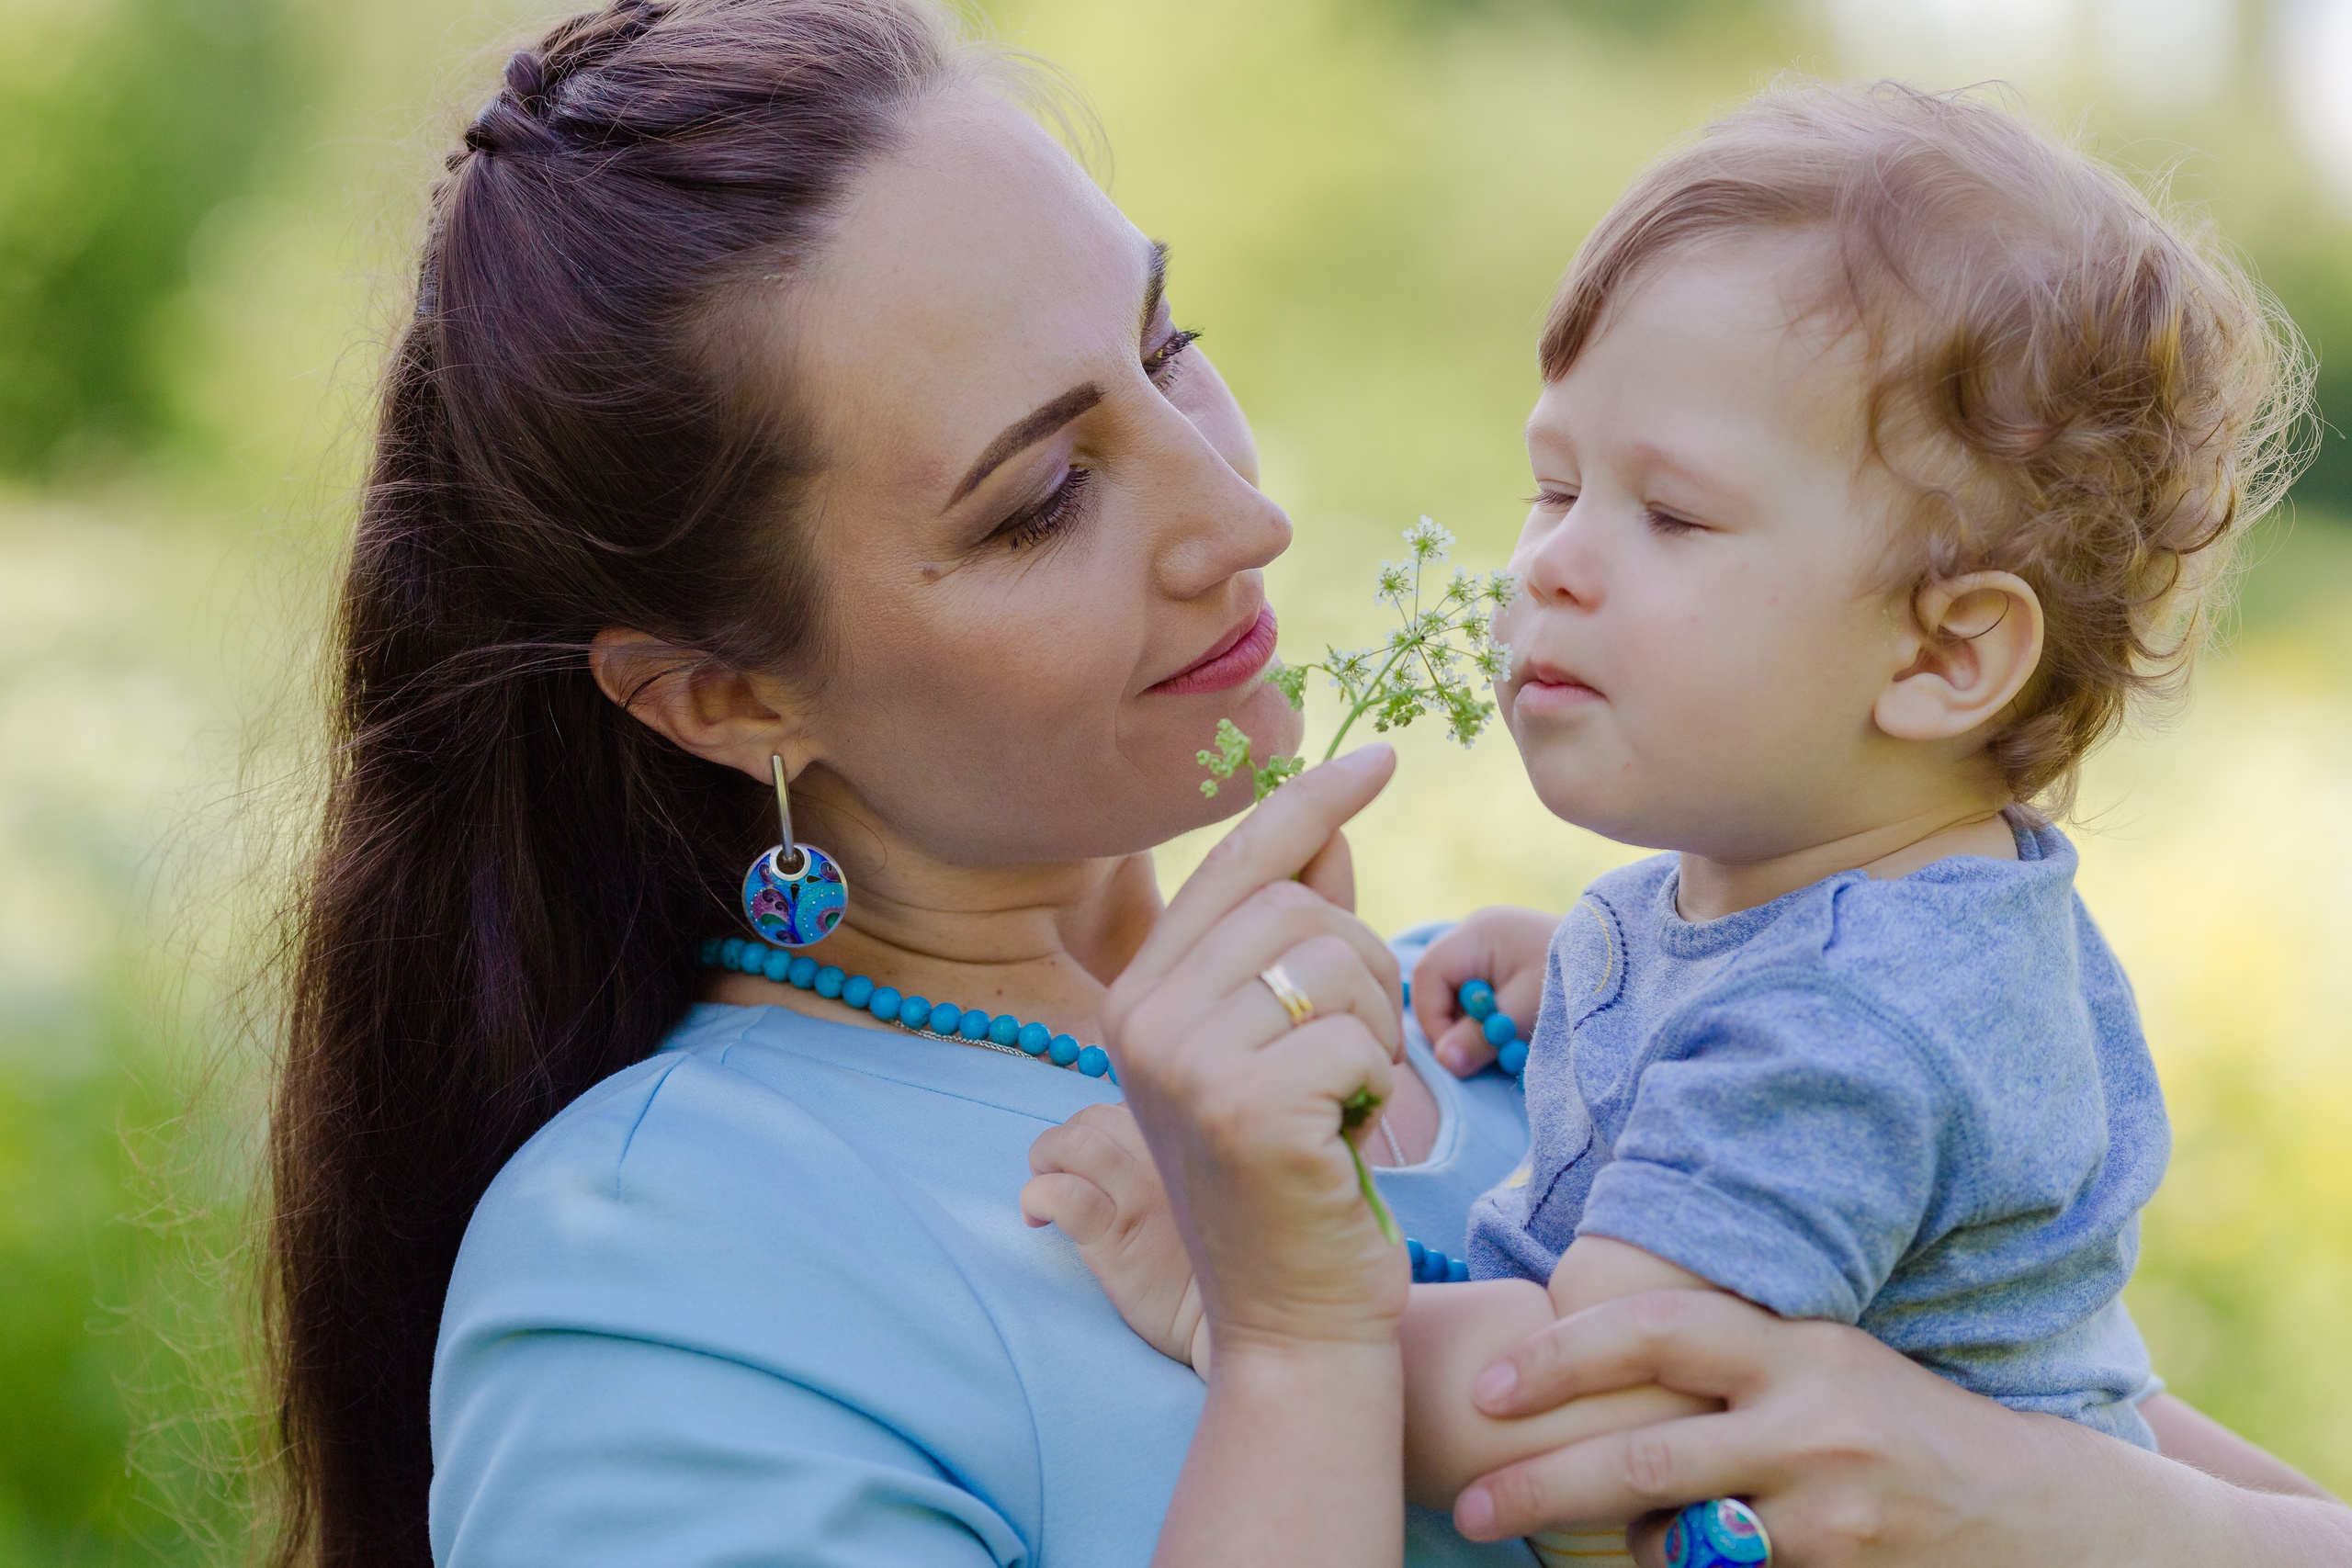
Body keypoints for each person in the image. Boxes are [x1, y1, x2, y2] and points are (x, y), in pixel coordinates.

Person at [258, 3, 2344, 1564]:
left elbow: (2063, 1401)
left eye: (1167, 348)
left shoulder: (1521, 1012)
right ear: (720, 697)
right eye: (1044, 495)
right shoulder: (665, 1266)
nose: (1232, 515)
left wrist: (2043, 1498)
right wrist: (1289, 1352)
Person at [1043, 80, 2352, 1568]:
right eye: (1554, 486)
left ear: (1942, 657)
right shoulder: (1905, 925)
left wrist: (1247, 1298)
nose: (1550, 567)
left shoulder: (1839, 1031)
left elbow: (1602, 1426)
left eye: (1670, 516)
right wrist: (1625, 985)